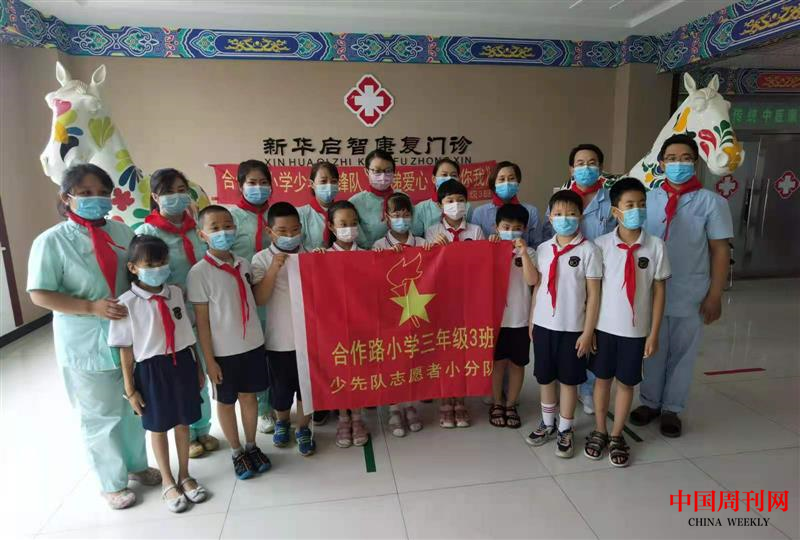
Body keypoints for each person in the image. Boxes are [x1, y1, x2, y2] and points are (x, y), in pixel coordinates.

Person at [28, 163, 160, 510]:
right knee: (100, 414)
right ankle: (111, 482)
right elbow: (39, 293)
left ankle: (137, 464)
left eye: (102, 193)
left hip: (128, 335)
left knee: (133, 403)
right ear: (66, 197)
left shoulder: (122, 232)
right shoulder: (51, 241)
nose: (96, 199)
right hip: (85, 339)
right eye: (85, 193)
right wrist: (90, 307)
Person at [630, 134, 733, 438]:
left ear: (695, 163)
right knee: (652, 348)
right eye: (672, 159)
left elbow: (720, 250)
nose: (679, 164)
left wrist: (715, 294)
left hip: (691, 291)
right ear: (661, 164)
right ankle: (650, 402)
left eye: (686, 158)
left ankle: (672, 408)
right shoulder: (647, 200)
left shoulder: (712, 202)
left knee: (683, 353)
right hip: (650, 291)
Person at [109, 236, 208, 512]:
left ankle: (185, 474)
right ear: (133, 268)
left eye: (162, 262)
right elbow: (125, 349)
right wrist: (130, 389)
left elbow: (187, 334)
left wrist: (198, 367)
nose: (158, 268)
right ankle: (167, 480)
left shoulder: (174, 293)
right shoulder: (126, 303)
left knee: (184, 422)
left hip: (182, 363)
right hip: (152, 370)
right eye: (150, 264)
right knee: (158, 426)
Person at [586, 178, 670, 467]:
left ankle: (617, 434)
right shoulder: (600, 245)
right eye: (630, 205)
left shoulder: (656, 246)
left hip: (635, 332)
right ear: (615, 211)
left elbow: (659, 291)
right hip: (603, 329)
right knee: (601, 381)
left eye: (641, 205)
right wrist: (589, 329)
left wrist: (653, 333)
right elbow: (592, 293)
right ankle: (600, 429)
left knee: (626, 383)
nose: (637, 210)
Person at [137, 168, 218, 459]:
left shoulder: (198, 226)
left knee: (205, 371)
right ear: (155, 196)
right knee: (184, 374)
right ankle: (189, 432)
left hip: (205, 309)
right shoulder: (148, 232)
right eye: (168, 192)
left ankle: (203, 427)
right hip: (171, 315)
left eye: (181, 190)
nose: (176, 196)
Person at [187, 205, 271, 480]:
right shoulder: (199, 273)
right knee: (226, 402)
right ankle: (236, 451)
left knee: (249, 397)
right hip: (223, 352)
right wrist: (209, 361)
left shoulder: (244, 263)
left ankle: (251, 445)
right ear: (202, 234)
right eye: (215, 228)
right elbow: (202, 322)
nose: (223, 232)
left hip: (252, 344)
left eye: (228, 226)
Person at [526, 190, 601, 458]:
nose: (565, 218)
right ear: (550, 217)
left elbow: (594, 295)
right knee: (545, 378)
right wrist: (532, 320)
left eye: (571, 213)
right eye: (558, 214)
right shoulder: (544, 249)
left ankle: (565, 429)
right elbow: (538, 287)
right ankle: (547, 423)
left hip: (573, 329)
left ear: (580, 216)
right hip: (544, 326)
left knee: (569, 381)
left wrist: (588, 331)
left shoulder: (589, 250)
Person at [542, 144, 616, 415]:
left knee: (593, 333)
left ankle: (588, 389)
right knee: (568, 333)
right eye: (580, 163)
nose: (586, 168)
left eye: (592, 162)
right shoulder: (561, 199)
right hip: (567, 280)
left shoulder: (610, 201)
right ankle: (567, 384)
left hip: (600, 276)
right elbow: (548, 238)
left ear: (600, 167)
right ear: (571, 168)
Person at [251, 202, 316, 457]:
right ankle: (282, 422)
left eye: (294, 230)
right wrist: (273, 270)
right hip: (278, 339)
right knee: (280, 388)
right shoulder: (261, 259)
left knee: (306, 387)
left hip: (309, 337)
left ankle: (303, 427)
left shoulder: (310, 254)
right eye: (282, 231)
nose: (290, 235)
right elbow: (260, 298)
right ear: (270, 232)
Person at [425, 179, 483, 428]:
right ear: (440, 205)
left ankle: (460, 400)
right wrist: (435, 250)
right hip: (440, 301)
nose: (456, 205)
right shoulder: (432, 231)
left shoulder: (476, 231)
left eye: (460, 200)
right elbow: (427, 266)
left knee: (462, 349)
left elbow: (480, 264)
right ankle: (445, 401)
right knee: (443, 351)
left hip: (467, 299)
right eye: (450, 201)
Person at [226, 160, 276, 435]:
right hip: (242, 296)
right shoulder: (230, 217)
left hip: (276, 292)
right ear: (240, 185)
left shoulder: (277, 214)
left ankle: (278, 403)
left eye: (264, 182)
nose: (259, 188)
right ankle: (263, 407)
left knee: (276, 351)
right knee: (253, 353)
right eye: (252, 183)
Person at [317, 201, 372, 448]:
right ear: (331, 226)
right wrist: (314, 263)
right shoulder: (322, 257)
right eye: (342, 224)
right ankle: (342, 418)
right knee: (339, 370)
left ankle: (358, 418)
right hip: (333, 326)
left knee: (358, 370)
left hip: (362, 323)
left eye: (353, 223)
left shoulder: (367, 255)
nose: (349, 228)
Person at [372, 193, 425, 436]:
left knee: (413, 357)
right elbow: (372, 277)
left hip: (417, 311)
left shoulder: (422, 242)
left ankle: (411, 405)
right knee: (393, 359)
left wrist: (437, 250)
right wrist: (386, 258)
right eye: (396, 215)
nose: (401, 219)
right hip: (390, 313)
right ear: (387, 217)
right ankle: (394, 409)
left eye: (405, 214)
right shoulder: (378, 245)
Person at [487, 204, 539, 429]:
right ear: (496, 227)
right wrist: (491, 249)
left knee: (517, 364)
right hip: (495, 320)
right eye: (506, 227)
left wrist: (524, 253)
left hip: (520, 319)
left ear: (525, 229)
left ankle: (511, 404)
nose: (511, 232)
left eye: (517, 228)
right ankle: (497, 402)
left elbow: (532, 280)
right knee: (497, 364)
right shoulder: (489, 249)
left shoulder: (531, 253)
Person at [296, 161, 339, 426]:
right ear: (311, 184)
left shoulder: (344, 210)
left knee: (339, 343)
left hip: (340, 288)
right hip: (311, 288)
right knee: (316, 346)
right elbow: (294, 245)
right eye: (323, 181)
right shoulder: (301, 214)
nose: (328, 186)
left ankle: (343, 394)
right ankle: (321, 400)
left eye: (333, 180)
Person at [469, 161, 540, 247]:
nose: (507, 183)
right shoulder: (479, 213)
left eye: (511, 178)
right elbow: (475, 246)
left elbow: (537, 245)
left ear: (518, 182)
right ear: (494, 183)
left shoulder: (531, 211)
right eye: (502, 179)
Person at [411, 158, 473, 237]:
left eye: (454, 175)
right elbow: (416, 239)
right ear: (434, 179)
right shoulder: (420, 209)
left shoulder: (467, 207)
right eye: (444, 175)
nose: (449, 178)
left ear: (459, 179)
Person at [349, 149, 397, 248]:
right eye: (377, 171)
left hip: (401, 253)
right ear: (367, 171)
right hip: (368, 254)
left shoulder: (402, 198)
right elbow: (355, 239)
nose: (383, 176)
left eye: (388, 171)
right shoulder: (355, 203)